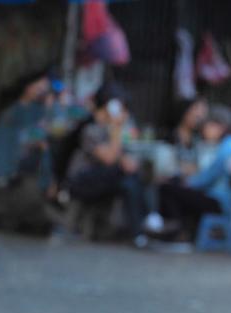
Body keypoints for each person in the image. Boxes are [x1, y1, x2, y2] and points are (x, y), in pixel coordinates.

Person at [65, 84, 161, 247]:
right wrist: (116, 129)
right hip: (83, 181)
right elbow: (109, 159)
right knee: (125, 174)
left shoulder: (116, 130)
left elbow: (123, 157)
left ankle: (140, 232)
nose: (123, 114)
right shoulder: (91, 129)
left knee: (130, 183)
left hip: (110, 180)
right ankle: (150, 218)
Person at [159, 104, 231, 243]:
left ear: (220, 126)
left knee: (168, 189)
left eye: (208, 126)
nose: (204, 130)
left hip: (220, 201)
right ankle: (179, 230)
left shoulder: (229, 147)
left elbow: (211, 174)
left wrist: (189, 183)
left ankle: (177, 231)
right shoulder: (223, 144)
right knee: (174, 187)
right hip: (213, 196)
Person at [0, 70, 53, 190]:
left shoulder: (35, 109)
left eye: (45, 89)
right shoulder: (13, 110)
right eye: (39, 88)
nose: (42, 92)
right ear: (28, 87)